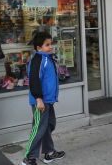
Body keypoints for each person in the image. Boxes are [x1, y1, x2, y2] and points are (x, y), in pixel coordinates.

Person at [22, 32, 65, 165]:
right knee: (39, 128)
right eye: (47, 45)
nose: (50, 47)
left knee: (48, 125)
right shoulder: (37, 60)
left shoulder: (48, 57)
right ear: (38, 47)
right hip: (40, 101)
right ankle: (29, 158)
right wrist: (39, 99)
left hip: (48, 100)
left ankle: (49, 153)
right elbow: (34, 80)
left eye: (50, 44)